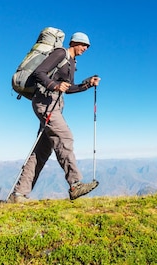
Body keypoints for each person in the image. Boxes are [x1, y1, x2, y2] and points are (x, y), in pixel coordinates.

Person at [9, 32, 101, 203]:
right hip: (45, 103)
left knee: (41, 151)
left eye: (87, 46)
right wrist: (54, 85)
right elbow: (39, 73)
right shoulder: (60, 53)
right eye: (83, 44)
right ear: (73, 42)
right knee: (64, 137)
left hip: (54, 105)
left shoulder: (72, 63)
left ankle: (18, 194)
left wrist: (87, 84)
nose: (85, 48)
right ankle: (75, 184)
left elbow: (68, 88)